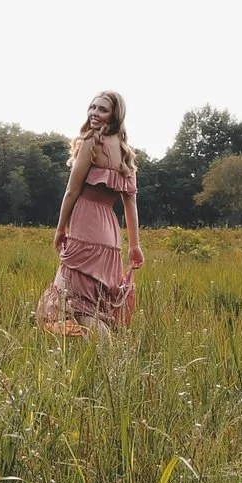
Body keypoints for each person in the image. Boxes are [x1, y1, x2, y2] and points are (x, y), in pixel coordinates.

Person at [37, 90, 142, 335]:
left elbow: (71, 191)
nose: (94, 113)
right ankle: (105, 350)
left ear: (115, 115)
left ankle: (102, 351)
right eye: (93, 107)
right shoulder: (126, 152)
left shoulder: (91, 142)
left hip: (85, 226)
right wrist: (134, 245)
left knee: (72, 302)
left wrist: (60, 229)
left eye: (102, 109)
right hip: (110, 237)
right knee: (95, 303)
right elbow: (131, 205)